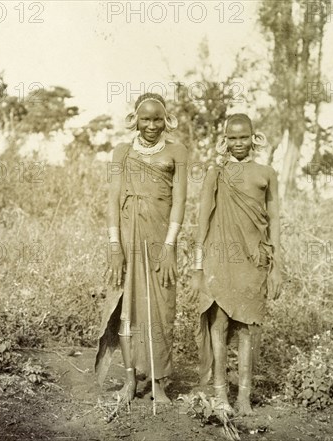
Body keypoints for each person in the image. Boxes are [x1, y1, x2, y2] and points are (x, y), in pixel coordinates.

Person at [95, 93, 187, 404]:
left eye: (157, 119)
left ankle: (159, 383)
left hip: (161, 237)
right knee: (129, 309)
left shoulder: (177, 152)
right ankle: (130, 381)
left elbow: (179, 203)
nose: (151, 125)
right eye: (145, 119)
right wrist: (113, 246)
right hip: (127, 237)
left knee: (161, 308)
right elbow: (112, 199)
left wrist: (170, 246)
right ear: (135, 119)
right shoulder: (122, 151)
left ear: (166, 120)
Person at [189, 113, 283, 415]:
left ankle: (244, 395)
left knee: (247, 328)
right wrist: (198, 267)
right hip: (220, 257)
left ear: (253, 137)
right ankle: (220, 393)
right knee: (219, 323)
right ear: (224, 139)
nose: (238, 143)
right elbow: (202, 219)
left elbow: (275, 220)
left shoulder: (266, 173)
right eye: (233, 138)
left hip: (254, 258)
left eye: (244, 137)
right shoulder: (215, 172)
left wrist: (276, 266)